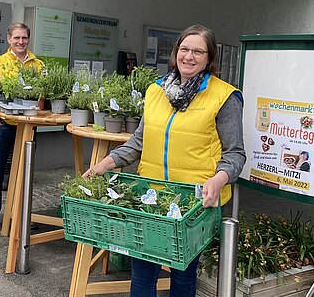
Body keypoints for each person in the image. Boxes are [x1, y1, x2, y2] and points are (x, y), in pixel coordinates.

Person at [83, 24, 246, 297]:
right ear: (175, 52)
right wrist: (106, 163)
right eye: (184, 49)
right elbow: (139, 141)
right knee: (143, 270)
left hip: (192, 200)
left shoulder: (224, 97)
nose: (189, 56)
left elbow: (235, 154)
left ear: (209, 58)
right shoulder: (156, 91)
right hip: (151, 196)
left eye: (198, 51)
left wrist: (218, 180)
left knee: (183, 273)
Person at [0, 22, 43, 234]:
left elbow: (42, 96)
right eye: (16, 38)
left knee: (25, 172)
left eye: (24, 38)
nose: (20, 42)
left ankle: (21, 214)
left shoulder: (38, 65)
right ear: (9, 39)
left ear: (28, 39)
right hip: (4, 125)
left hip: (28, 126)